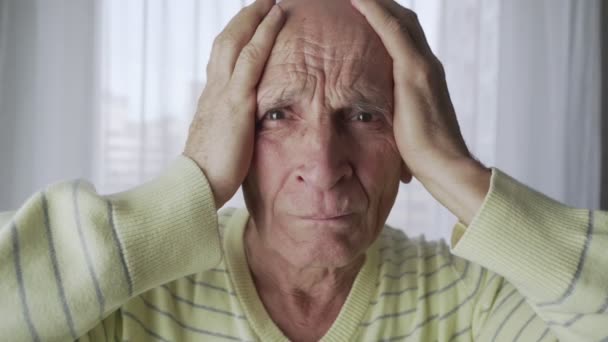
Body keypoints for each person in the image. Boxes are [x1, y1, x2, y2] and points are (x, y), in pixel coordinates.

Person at [1, 0, 606, 340]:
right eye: (277, 115)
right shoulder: (126, 302)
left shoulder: (471, 300)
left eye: (365, 114)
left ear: (409, 143)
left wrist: (455, 172)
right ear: (227, 134)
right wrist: (191, 184)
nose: (322, 166)